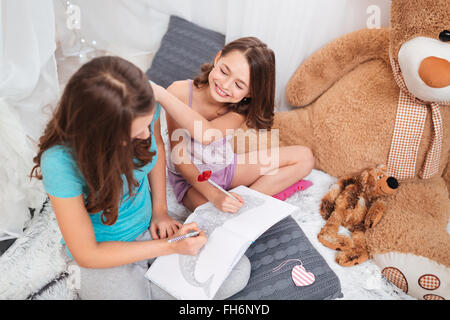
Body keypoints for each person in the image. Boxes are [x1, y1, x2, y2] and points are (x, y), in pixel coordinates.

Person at [30, 56, 250, 300]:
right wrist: (171, 247)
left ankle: (154, 283)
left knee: (238, 272)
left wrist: (160, 211)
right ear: (103, 134)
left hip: (150, 227)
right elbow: (87, 253)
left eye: (148, 124)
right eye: (136, 132)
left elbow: (156, 144)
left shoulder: (142, 102)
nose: (147, 134)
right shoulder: (60, 162)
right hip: (105, 251)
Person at [151, 37, 314, 214]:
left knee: (305, 157)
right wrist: (214, 196)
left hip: (226, 169)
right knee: (212, 214)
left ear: (250, 92)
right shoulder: (179, 92)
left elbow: (208, 135)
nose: (225, 85)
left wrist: (161, 94)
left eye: (238, 84)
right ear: (218, 58)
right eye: (224, 71)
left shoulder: (240, 108)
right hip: (191, 179)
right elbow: (179, 158)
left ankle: (246, 200)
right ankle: (232, 205)